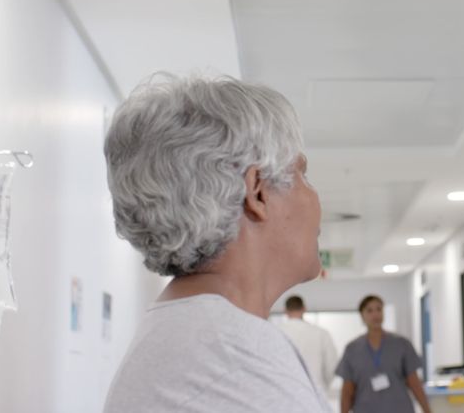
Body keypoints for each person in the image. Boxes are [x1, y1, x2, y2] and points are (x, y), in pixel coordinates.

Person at [102, 75, 330, 413]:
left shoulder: (192, 336)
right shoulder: (237, 356)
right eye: (302, 175)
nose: (314, 196)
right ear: (257, 192)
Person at [336, 295, 431, 413]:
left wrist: (427, 410)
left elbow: (414, 383)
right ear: (362, 315)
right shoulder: (352, 349)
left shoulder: (402, 344)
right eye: (369, 310)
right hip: (365, 408)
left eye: (379, 309)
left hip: (399, 408)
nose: (375, 314)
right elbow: (347, 390)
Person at [280, 295, 339, 394]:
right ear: (304, 309)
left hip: (285, 393)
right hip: (315, 393)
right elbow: (332, 366)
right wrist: (323, 385)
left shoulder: (276, 332)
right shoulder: (321, 333)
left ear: (285, 310)